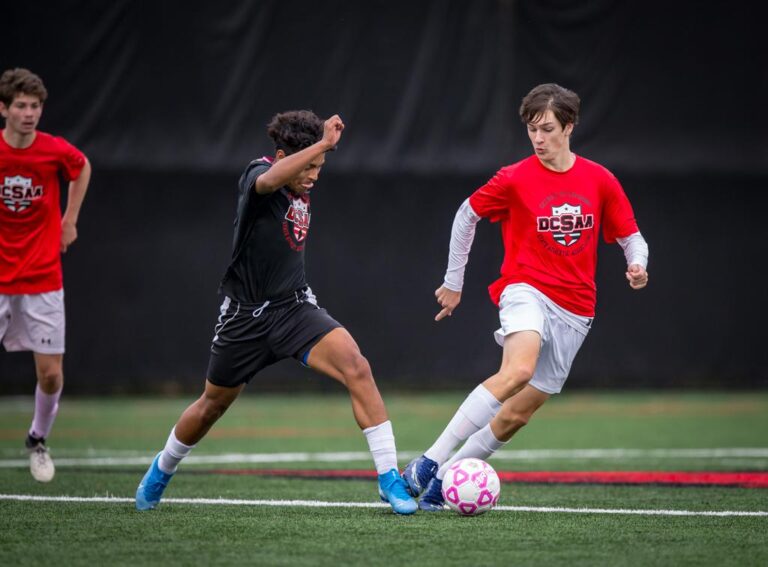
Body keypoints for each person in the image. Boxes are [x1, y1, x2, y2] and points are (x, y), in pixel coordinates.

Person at [135, 110, 417, 515]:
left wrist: (319, 148)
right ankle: (162, 468)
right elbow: (268, 181)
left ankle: (390, 479)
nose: (315, 174)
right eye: (310, 164)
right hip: (243, 317)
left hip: (293, 308)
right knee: (212, 404)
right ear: (285, 155)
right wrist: (321, 144)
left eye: (321, 166)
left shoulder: (302, 185)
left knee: (357, 366)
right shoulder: (258, 173)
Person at [402, 83, 649, 510]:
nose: (538, 138)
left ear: (569, 126)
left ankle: (443, 483)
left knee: (516, 415)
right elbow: (467, 216)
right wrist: (454, 282)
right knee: (518, 370)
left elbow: (632, 236)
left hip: (576, 310)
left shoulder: (600, 179)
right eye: (532, 129)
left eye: (547, 128)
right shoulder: (514, 178)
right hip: (525, 289)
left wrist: (638, 263)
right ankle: (427, 462)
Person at [0, 68, 92, 482]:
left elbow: (82, 166)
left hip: (42, 277)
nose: (29, 113)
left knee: (50, 373)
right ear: (3, 109)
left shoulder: (53, 150)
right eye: (20, 105)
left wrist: (69, 219)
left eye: (35, 106)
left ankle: (38, 439)